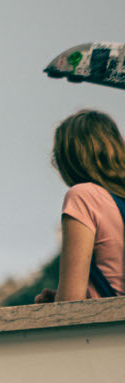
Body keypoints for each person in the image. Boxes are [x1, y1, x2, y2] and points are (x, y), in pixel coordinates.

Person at [37, 109, 125, 303]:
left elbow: (70, 301)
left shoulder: (84, 196)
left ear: (68, 158)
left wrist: (58, 301)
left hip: (111, 328)